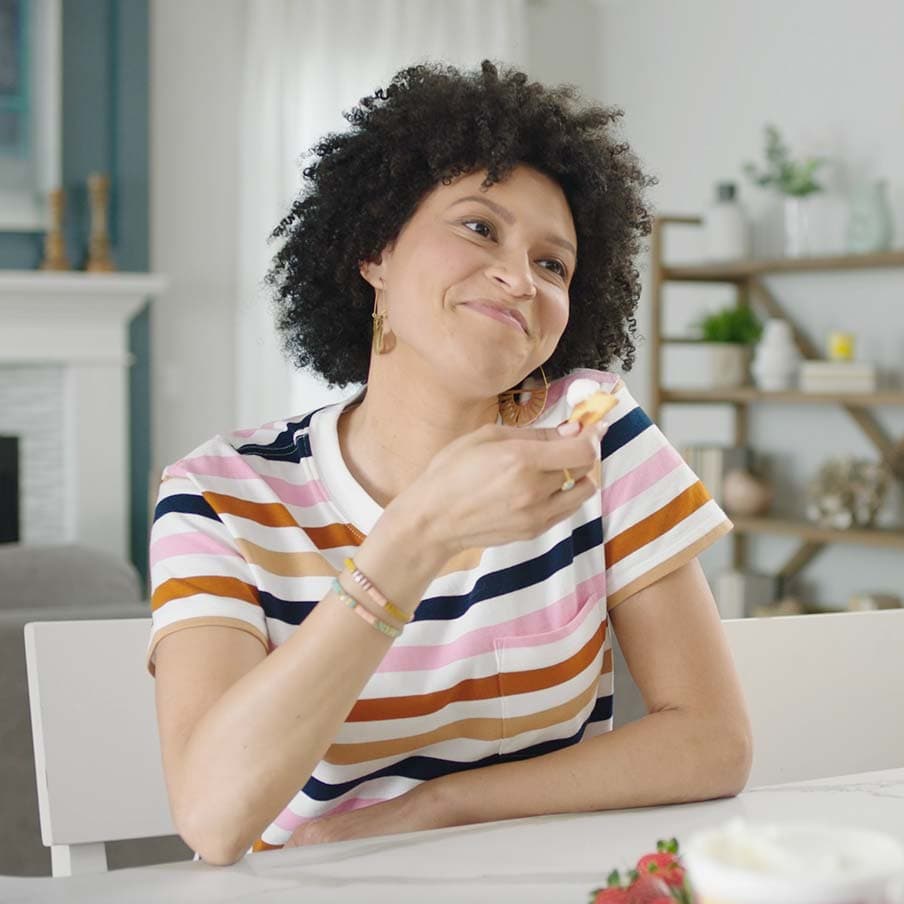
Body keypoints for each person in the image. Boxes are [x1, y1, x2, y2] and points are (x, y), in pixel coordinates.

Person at [148, 60, 752, 866]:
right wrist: (418, 536)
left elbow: (712, 741)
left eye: (553, 264)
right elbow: (214, 819)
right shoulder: (220, 493)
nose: (519, 278)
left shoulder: (591, 433)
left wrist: (440, 807)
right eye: (478, 227)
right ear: (375, 252)